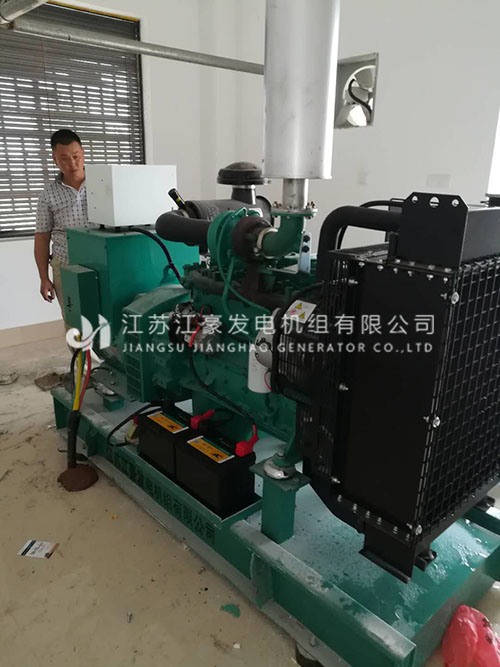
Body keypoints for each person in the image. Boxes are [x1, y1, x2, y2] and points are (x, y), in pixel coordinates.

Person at [34, 129, 89, 319]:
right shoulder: (48, 195)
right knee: (74, 320)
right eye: (64, 158)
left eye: (76, 156)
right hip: (65, 265)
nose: (72, 164)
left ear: (83, 153)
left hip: (102, 264)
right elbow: (42, 238)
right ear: (55, 159)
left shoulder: (103, 184)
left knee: (106, 318)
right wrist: (44, 278)